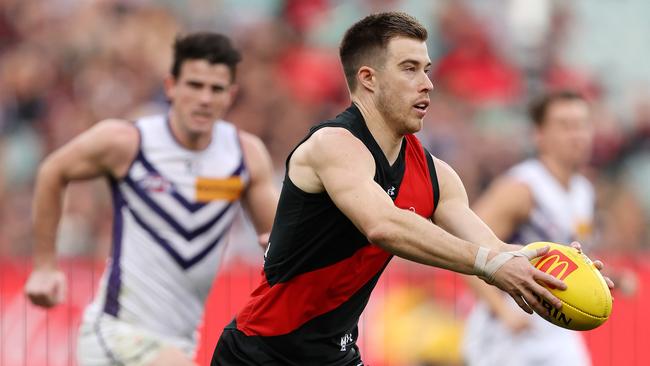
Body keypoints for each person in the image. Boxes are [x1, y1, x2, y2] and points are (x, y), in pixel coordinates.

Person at [210, 13, 610, 366]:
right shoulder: (333, 145)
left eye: (427, 69)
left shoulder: (438, 176)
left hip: (336, 355)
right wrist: (490, 265)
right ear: (368, 79)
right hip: (260, 353)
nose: (428, 84)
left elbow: (493, 247)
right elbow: (383, 226)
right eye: (410, 68)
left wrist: (550, 268)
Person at [24, 32, 279, 366]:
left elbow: (278, 241)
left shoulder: (244, 155)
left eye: (216, 89)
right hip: (116, 334)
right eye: (194, 85)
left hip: (182, 341)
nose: (204, 98)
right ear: (171, 86)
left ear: (230, 95)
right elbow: (52, 171)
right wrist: (44, 265)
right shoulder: (129, 141)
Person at [462, 90, 596, 366]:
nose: (577, 134)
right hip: (508, 330)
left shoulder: (584, 191)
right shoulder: (521, 189)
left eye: (582, 125)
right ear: (539, 135)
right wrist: (503, 312)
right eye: (565, 125)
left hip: (558, 324)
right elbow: (468, 250)